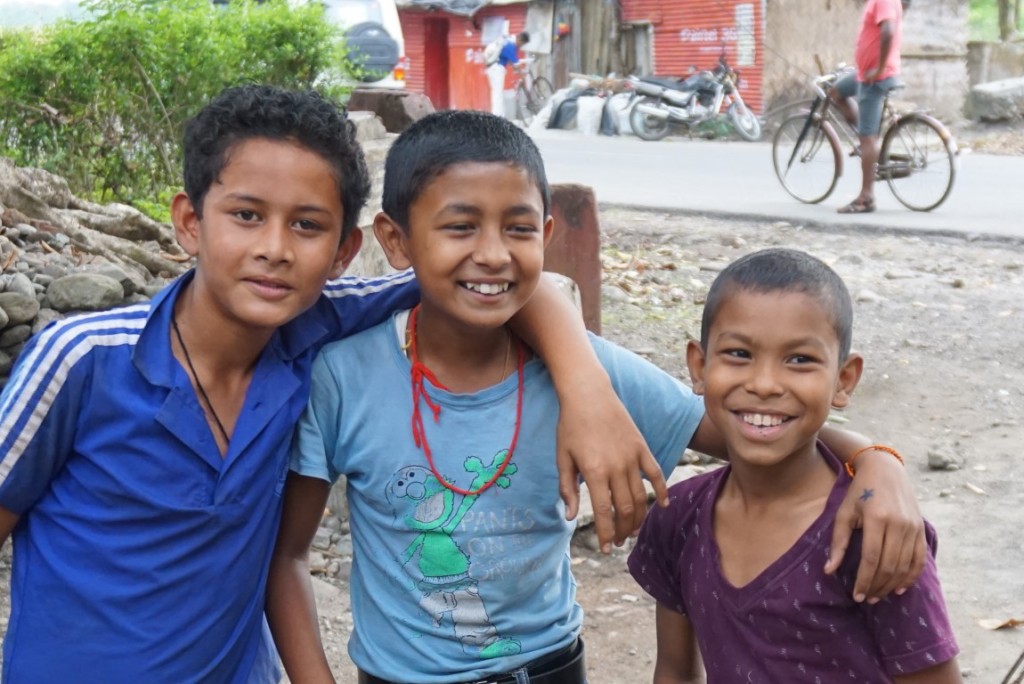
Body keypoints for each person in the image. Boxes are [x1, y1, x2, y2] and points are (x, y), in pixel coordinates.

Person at [0, 84, 687, 682]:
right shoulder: (83, 361)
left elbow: (495, 282)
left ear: (343, 252)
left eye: (307, 225)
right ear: (189, 221)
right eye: (246, 215)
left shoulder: (317, 336)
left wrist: (586, 388)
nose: (275, 247)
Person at [267, 112, 931, 684]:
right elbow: (290, 554)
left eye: (519, 228)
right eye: (461, 227)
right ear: (395, 240)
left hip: (552, 666)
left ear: (547, 232)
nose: (493, 254)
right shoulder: (344, 377)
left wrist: (875, 460)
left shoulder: (587, 368)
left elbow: (753, 429)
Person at [628, 248, 961, 683]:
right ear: (698, 365)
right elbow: (674, 670)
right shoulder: (679, 518)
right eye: (738, 354)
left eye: (800, 360)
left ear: (844, 380)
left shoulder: (873, 533)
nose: (765, 384)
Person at [831, 0, 907, 214]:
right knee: (836, 92)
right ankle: (865, 141)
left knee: (868, 138)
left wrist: (879, 68)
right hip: (866, 74)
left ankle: (866, 197)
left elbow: (888, 32)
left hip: (875, 78)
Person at [485, 31, 530, 118]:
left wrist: (519, 73)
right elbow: (516, 65)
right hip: (497, 69)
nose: (521, 46)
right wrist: (522, 76)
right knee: (497, 93)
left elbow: (511, 62)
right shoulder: (511, 45)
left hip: (492, 68)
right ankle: (498, 117)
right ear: (520, 40)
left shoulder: (507, 41)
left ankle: (499, 115)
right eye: (522, 44)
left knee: (496, 92)